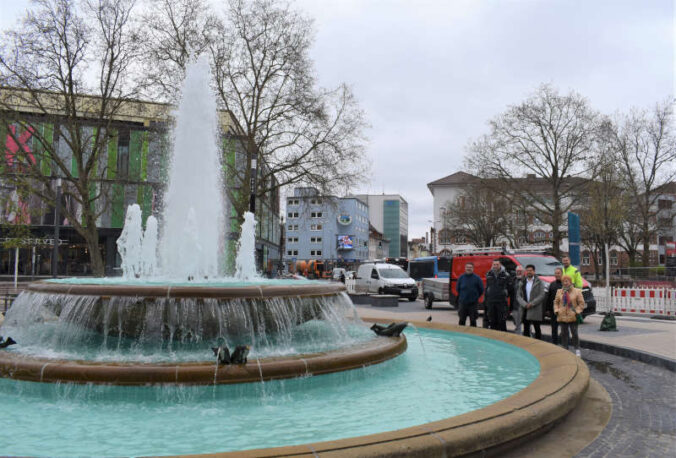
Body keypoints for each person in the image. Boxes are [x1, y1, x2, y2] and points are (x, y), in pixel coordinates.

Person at [554, 274, 586, 356]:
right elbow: (556, 302)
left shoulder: (577, 291)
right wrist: (557, 310)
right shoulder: (559, 291)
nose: (565, 283)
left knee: (574, 333)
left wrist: (576, 312)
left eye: (567, 281)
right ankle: (565, 348)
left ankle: (577, 349)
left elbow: (581, 304)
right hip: (562, 316)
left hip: (573, 316)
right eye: (563, 281)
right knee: (564, 334)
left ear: (570, 282)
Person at [517, 264, 545, 339]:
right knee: (526, 328)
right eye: (527, 270)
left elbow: (542, 295)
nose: (529, 272)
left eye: (531, 270)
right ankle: (527, 344)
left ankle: (538, 344)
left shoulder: (539, 282)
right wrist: (524, 304)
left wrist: (532, 304)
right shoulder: (522, 282)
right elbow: (518, 296)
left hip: (535, 308)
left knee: (537, 328)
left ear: (534, 271)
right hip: (525, 308)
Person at [484, 260, 511, 331]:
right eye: (494, 264)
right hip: (491, 301)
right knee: (492, 320)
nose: (495, 266)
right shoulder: (488, 274)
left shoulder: (506, 275)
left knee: (502, 321)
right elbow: (487, 287)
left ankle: (503, 337)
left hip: (501, 302)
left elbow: (510, 288)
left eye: (497, 264)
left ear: (500, 265)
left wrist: (504, 294)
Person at [456, 262, 484, 327]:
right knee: (462, 320)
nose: (469, 269)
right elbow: (458, 289)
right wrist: (463, 296)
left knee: (473, 320)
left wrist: (475, 297)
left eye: (470, 267)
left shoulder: (477, 278)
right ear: (465, 268)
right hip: (463, 303)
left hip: (473, 304)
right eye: (467, 267)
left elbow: (481, 290)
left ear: (473, 269)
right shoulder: (461, 278)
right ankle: (460, 334)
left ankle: (473, 336)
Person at [546, 267, 563, 345]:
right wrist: (547, 309)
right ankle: (554, 343)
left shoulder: (566, 284)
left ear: (562, 274)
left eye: (558, 273)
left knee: (564, 329)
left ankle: (564, 344)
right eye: (556, 273)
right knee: (554, 329)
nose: (557, 275)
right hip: (554, 311)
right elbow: (549, 298)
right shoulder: (552, 284)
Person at [510, 266, 524, 334]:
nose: (519, 272)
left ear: (523, 272)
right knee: (516, 323)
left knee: (526, 325)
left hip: (524, 306)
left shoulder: (526, 280)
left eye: (520, 271)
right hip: (515, 305)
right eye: (517, 271)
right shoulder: (513, 280)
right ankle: (518, 337)